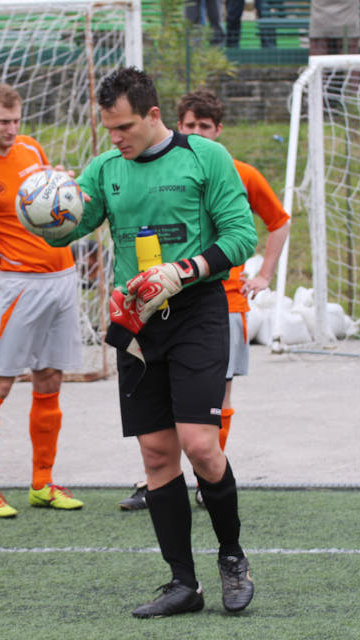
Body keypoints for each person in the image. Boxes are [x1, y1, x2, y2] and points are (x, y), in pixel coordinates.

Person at [48, 67, 257, 618]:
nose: (116, 138)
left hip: (197, 313)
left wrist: (183, 270)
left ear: (154, 115)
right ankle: (183, 584)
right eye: (109, 129)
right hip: (136, 323)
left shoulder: (206, 158)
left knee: (200, 444)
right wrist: (46, 210)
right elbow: (69, 227)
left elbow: (241, 237)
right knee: (157, 454)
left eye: (126, 127)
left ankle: (232, 556)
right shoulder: (105, 169)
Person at [118, 88, 291, 511]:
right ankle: (159, 477)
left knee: (216, 401)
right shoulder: (157, 170)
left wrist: (264, 274)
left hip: (221, 302)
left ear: (219, 130)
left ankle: (206, 478)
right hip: (162, 303)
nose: (196, 132)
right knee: (163, 406)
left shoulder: (238, 171)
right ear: (177, 126)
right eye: (190, 125)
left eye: (205, 126)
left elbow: (279, 221)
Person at [0, 83, 84, 518]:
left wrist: (66, 190)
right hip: (20, 285)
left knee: (49, 379)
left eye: (16, 120)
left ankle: (42, 482)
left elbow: (49, 203)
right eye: (3, 121)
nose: (12, 129)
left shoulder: (31, 148)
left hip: (63, 278)